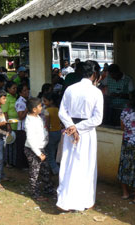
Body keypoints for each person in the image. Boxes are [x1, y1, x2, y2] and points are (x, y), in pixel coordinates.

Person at [57, 60, 103, 211]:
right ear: (94, 74)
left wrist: (72, 127)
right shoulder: (96, 92)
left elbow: (62, 112)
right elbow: (97, 119)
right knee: (86, 165)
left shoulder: (70, 89)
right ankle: (85, 201)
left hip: (71, 132)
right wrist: (76, 128)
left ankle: (67, 200)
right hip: (86, 133)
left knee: (69, 164)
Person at [24, 97, 54, 201]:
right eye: (40, 106)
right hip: (33, 150)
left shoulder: (38, 117)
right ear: (34, 109)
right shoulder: (29, 121)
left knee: (45, 169)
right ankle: (35, 194)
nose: (42, 107)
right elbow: (30, 139)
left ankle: (48, 189)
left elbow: (43, 130)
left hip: (41, 148)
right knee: (34, 173)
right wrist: (38, 153)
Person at [42, 92, 61, 175]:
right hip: (58, 133)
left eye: (45, 101)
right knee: (53, 152)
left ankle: (57, 171)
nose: (43, 103)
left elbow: (47, 124)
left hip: (51, 133)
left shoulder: (47, 111)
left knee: (50, 155)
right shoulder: (57, 109)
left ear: (51, 101)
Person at [2, 81, 18, 167]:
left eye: (16, 88)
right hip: (10, 124)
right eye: (13, 88)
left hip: (17, 123)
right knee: (9, 144)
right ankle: (8, 162)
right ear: (8, 89)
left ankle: (13, 161)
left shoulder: (16, 97)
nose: (15, 90)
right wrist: (8, 124)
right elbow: (5, 113)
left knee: (15, 144)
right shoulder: (7, 98)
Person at [15, 83, 30, 168]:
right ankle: (21, 165)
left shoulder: (26, 100)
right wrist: (27, 109)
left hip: (27, 127)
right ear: (20, 93)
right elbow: (20, 117)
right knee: (22, 148)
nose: (27, 91)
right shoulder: (20, 102)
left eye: (27, 89)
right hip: (22, 128)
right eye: (24, 90)